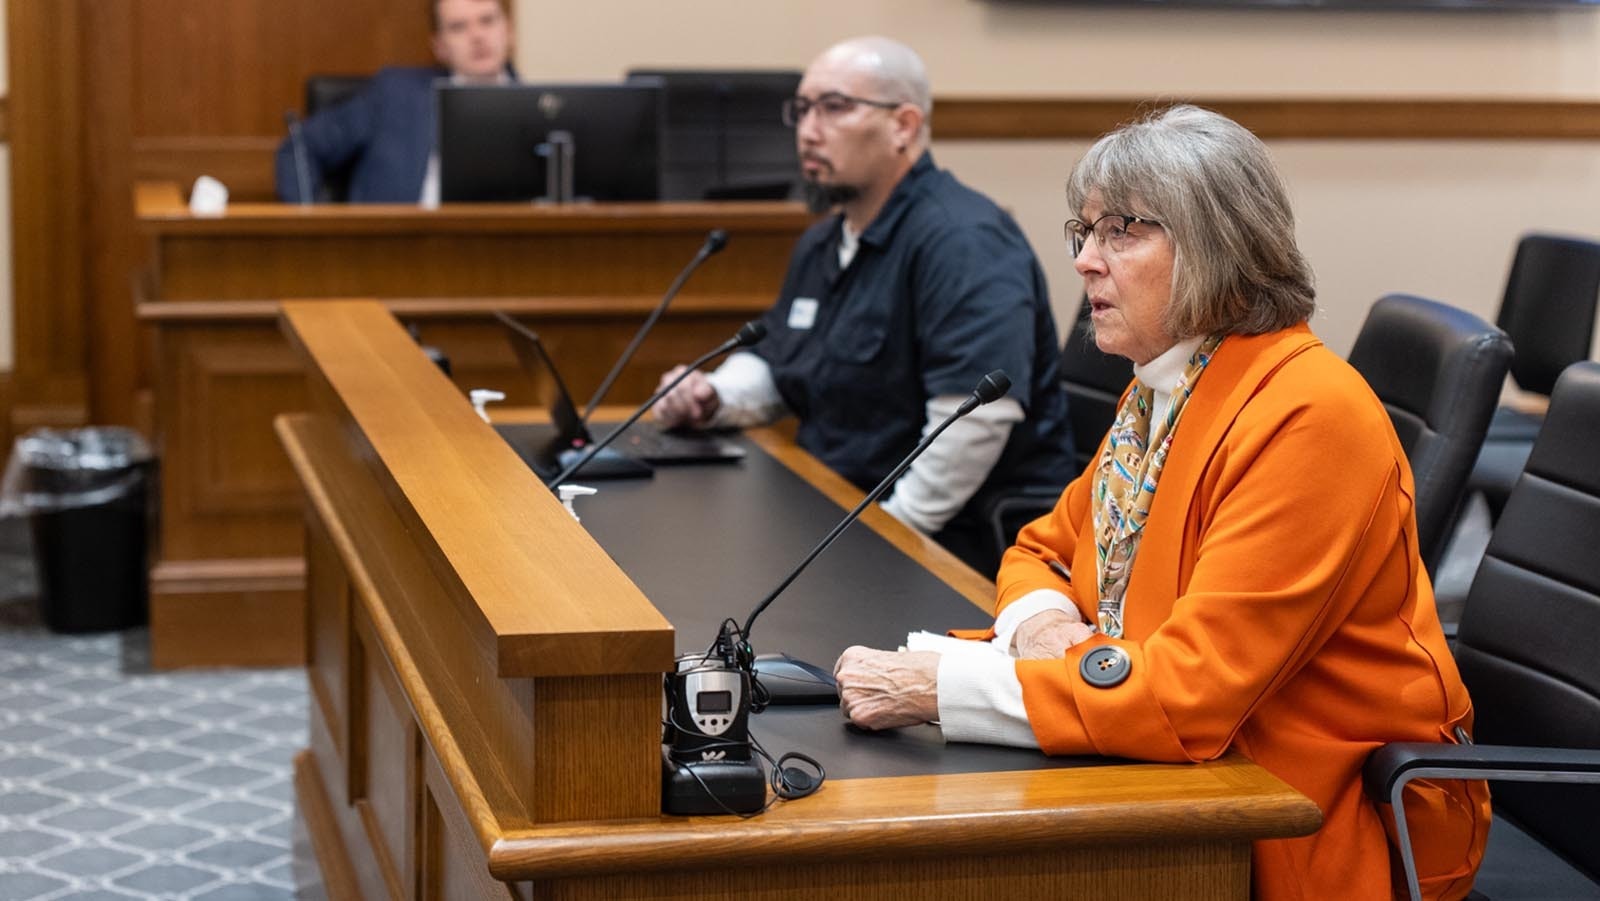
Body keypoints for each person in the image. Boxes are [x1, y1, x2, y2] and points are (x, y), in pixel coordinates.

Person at [832, 106, 1490, 899]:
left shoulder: (1309, 413)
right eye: (1083, 231)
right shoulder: (1164, 392)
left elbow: (1188, 695)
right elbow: (1041, 548)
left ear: (1218, 246)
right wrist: (1043, 626)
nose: (1083, 261)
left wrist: (940, 689)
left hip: (1294, 812)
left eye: (1121, 232)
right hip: (1171, 773)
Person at [652, 36, 1072, 574]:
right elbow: (780, 363)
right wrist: (712, 396)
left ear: (903, 125)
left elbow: (974, 423)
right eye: (802, 109)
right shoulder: (829, 239)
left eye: (834, 107)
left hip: (946, 547)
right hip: (831, 510)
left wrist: (887, 537)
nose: (807, 130)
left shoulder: (964, 240)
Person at [273, 0, 514, 204]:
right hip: (392, 251)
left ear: (508, 30)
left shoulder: (544, 108)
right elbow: (299, 146)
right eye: (459, 27)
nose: (477, 36)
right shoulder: (394, 93)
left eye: (487, 21)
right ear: (439, 46)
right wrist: (317, 234)